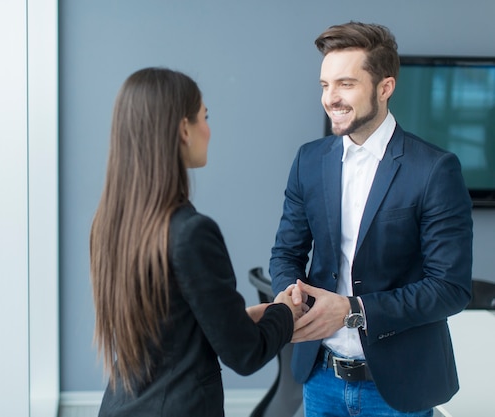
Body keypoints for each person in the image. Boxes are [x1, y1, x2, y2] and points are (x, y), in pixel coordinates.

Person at [269, 22, 473, 416]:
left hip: (398, 386)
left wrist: (353, 309)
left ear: (385, 87)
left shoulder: (435, 169)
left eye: (345, 84)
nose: (330, 98)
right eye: (325, 85)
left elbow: (450, 287)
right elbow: (285, 253)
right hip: (320, 376)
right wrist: (287, 294)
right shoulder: (308, 161)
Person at [90, 67, 304, 417]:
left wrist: (236, 319)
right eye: (205, 117)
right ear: (183, 129)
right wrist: (286, 312)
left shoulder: (111, 224)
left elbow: (166, 332)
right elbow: (245, 355)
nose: (209, 129)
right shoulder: (191, 232)